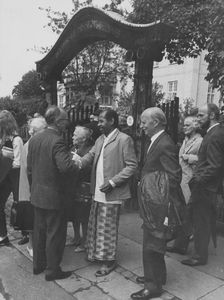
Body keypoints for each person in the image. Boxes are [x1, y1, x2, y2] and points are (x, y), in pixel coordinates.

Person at [73, 109, 138, 276]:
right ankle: (97, 255)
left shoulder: (124, 139)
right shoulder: (101, 139)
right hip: (98, 191)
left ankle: (109, 262)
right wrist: (76, 161)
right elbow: (90, 156)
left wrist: (112, 182)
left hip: (112, 191)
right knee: (96, 225)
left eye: (102, 121)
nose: (99, 124)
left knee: (107, 228)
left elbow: (132, 166)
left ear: (112, 121)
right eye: (99, 121)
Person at [131, 107, 186, 300]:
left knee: (151, 245)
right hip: (156, 203)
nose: (142, 125)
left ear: (156, 122)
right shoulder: (158, 140)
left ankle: (152, 287)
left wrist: (150, 188)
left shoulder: (164, 143)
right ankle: (156, 276)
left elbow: (174, 177)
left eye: (144, 122)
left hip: (159, 205)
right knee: (154, 243)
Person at [27, 105, 79, 281]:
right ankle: (52, 270)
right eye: (65, 121)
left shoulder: (34, 139)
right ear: (57, 122)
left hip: (37, 194)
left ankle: (38, 265)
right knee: (55, 234)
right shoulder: (57, 141)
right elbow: (65, 168)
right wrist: (76, 164)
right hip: (54, 196)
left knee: (40, 232)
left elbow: (29, 168)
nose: (67, 124)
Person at [182, 103, 224, 266]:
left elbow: (214, 165)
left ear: (212, 115)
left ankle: (199, 257)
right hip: (205, 186)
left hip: (206, 188)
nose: (198, 119)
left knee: (201, 221)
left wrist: (197, 180)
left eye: (201, 115)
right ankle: (188, 248)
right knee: (196, 217)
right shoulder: (213, 132)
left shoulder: (214, 135)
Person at [167, 116, 203, 255]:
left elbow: (206, 160)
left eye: (187, 125)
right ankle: (179, 243)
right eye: (184, 125)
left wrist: (192, 158)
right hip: (181, 180)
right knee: (180, 212)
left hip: (190, 181)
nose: (184, 127)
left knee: (187, 213)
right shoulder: (185, 140)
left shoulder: (200, 141)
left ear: (195, 126)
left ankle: (184, 242)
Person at [18, 117, 47, 257]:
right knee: (34, 221)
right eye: (44, 130)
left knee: (33, 220)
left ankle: (33, 246)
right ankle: (33, 246)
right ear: (35, 132)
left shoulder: (30, 143)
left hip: (28, 189)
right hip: (32, 189)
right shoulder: (32, 145)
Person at [66, 125, 93, 251]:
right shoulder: (73, 148)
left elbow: (91, 168)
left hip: (84, 186)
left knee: (83, 216)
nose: (72, 137)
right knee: (74, 214)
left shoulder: (90, 150)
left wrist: (80, 161)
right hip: (73, 185)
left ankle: (85, 242)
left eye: (75, 135)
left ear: (83, 139)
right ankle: (76, 237)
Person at [0, 110, 23, 246]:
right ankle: (2, 235)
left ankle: (26, 233)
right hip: (3, 176)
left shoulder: (17, 139)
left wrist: (5, 162)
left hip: (13, 176)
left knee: (19, 205)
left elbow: (18, 162)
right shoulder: (2, 139)